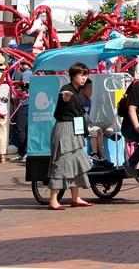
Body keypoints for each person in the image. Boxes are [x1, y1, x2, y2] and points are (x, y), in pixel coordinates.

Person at [48, 62, 94, 209]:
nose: (84, 78)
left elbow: (79, 114)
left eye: (85, 75)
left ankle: (76, 197)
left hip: (75, 129)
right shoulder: (66, 90)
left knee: (77, 163)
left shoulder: (79, 92)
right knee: (62, 162)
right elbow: (60, 108)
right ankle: (53, 200)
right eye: (81, 74)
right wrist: (64, 99)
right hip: (65, 129)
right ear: (73, 75)